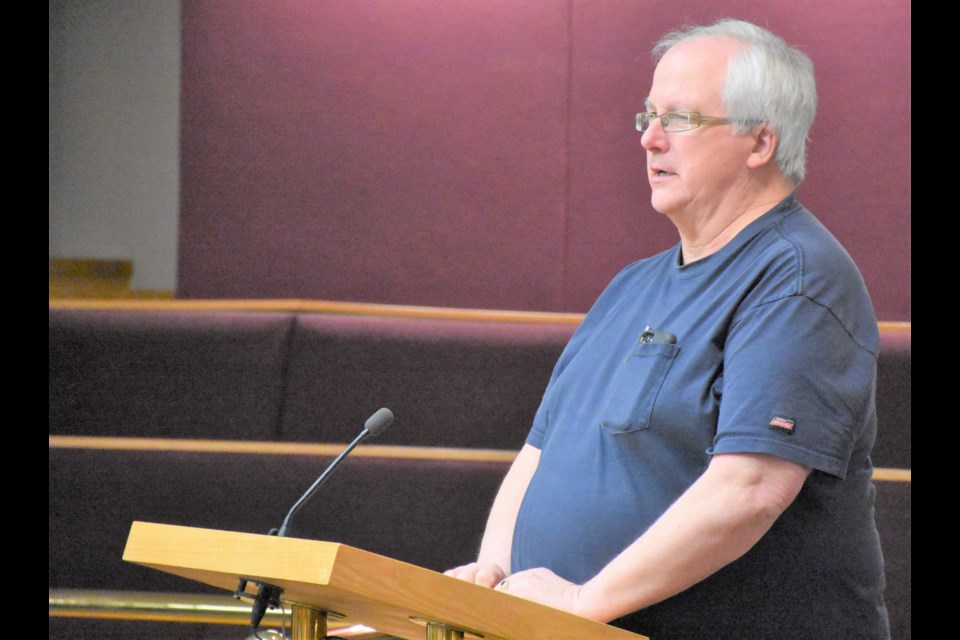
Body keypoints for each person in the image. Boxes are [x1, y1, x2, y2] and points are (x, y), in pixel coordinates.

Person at [445, 17, 890, 640]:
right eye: (647, 117)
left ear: (760, 142)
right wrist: (494, 581)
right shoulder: (630, 286)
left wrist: (581, 603)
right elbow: (538, 456)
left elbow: (751, 488)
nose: (650, 139)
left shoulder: (797, 278)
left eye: (680, 119)